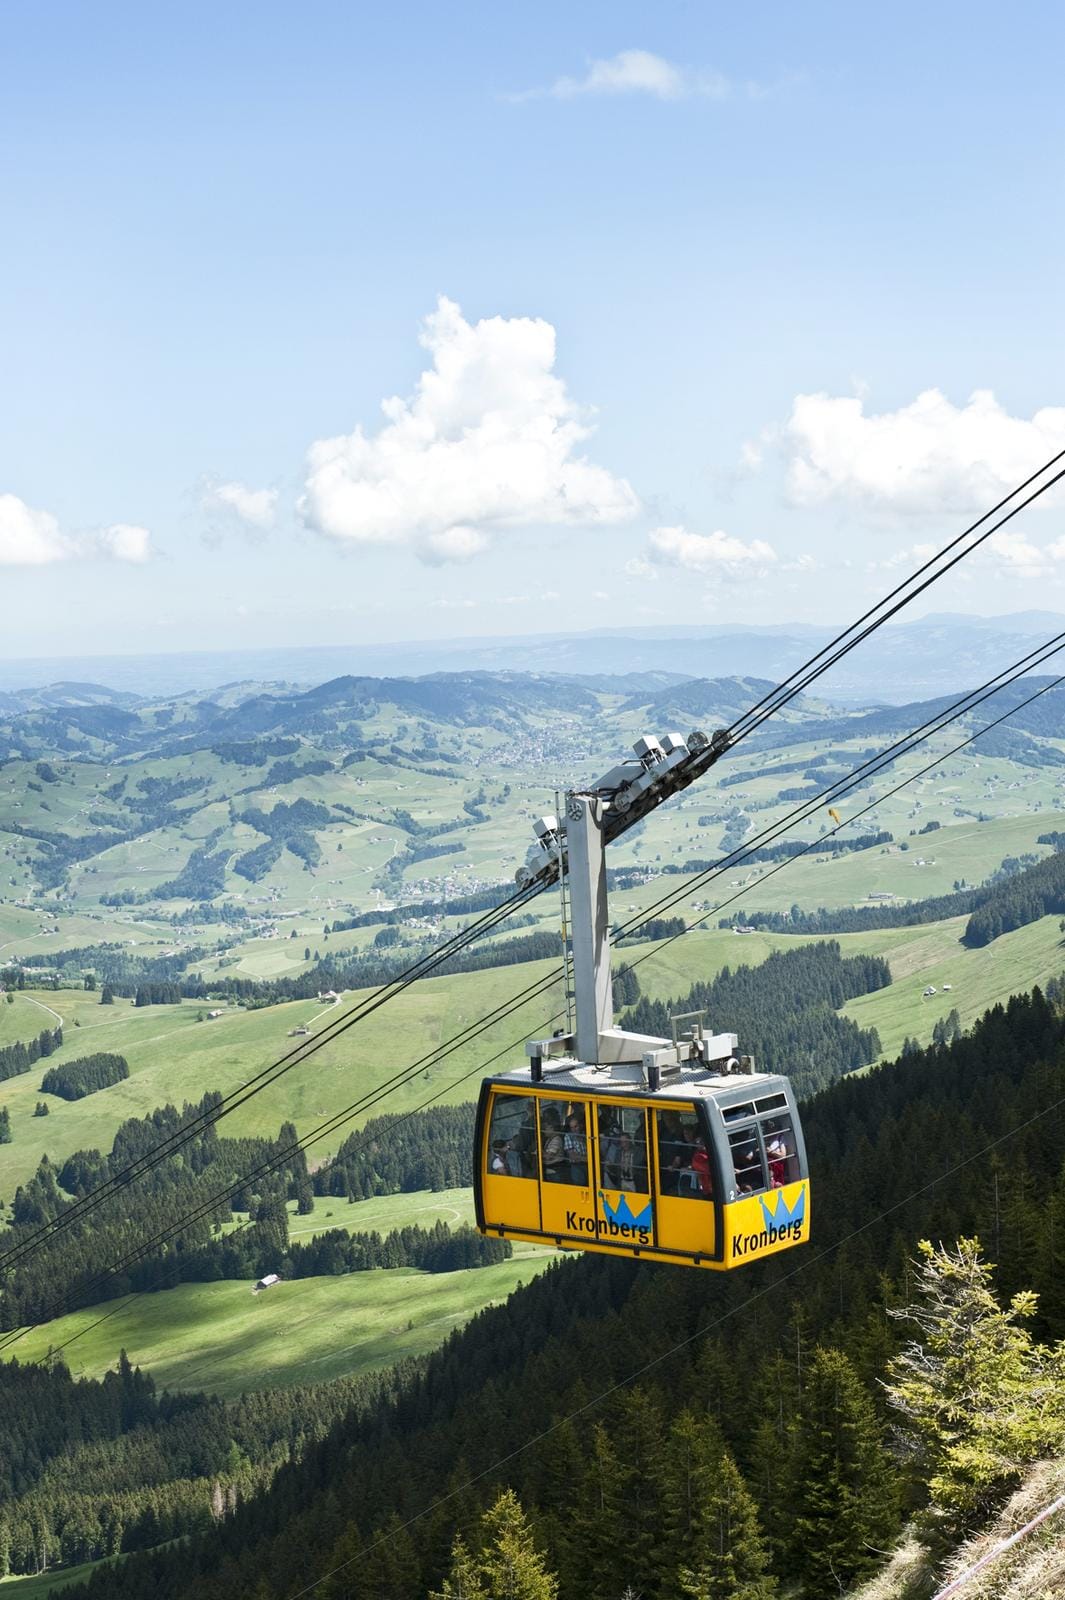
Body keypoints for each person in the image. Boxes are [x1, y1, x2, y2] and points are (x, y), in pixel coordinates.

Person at [541, 1108, 567, 1181]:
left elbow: (548, 1156)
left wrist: (539, 1151)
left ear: (552, 1128)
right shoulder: (549, 1139)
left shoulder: (556, 1139)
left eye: (545, 1129)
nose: (543, 1131)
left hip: (555, 1170)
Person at [564, 1112, 588, 1186]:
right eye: (572, 1127)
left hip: (588, 1165)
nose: (574, 1129)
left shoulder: (585, 1135)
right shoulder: (568, 1136)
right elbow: (572, 1156)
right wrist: (587, 1159)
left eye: (576, 1126)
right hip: (577, 1166)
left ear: (580, 1126)